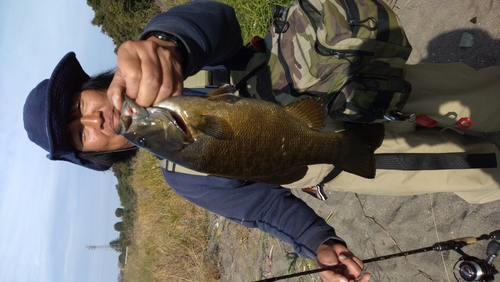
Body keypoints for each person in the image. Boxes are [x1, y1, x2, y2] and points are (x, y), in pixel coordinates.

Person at [22, 0, 500, 281]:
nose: (91, 120)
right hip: (353, 158)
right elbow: (262, 208)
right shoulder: (184, 179)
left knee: (479, 97)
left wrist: (168, 41)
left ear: (91, 86)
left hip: (360, 86)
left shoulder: (186, 65)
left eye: (75, 106)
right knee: (476, 169)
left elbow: (217, 20)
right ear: (94, 156)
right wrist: (320, 243)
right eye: (78, 135)